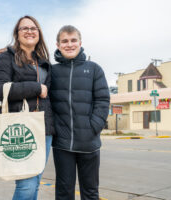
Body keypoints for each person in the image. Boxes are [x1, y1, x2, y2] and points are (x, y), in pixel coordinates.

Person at [0, 15, 54, 200]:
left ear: (39, 33)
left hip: (44, 128)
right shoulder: (6, 58)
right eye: (24, 28)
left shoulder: (43, 61)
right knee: (27, 185)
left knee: (34, 183)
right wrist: (36, 88)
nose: (29, 31)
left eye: (33, 28)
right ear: (17, 34)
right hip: (20, 128)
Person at [50, 25, 110, 200]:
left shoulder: (94, 69)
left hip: (89, 143)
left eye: (73, 40)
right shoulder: (52, 71)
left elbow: (103, 100)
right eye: (65, 41)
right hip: (62, 144)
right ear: (58, 44)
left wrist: (94, 127)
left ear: (80, 42)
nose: (69, 44)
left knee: (90, 192)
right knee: (63, 192)